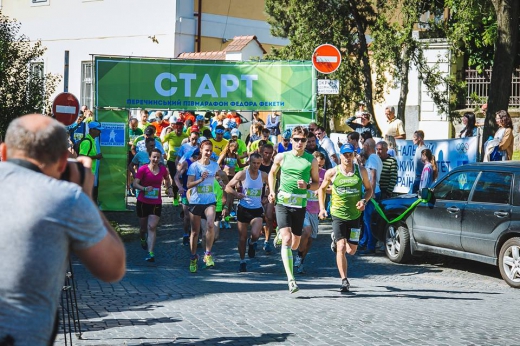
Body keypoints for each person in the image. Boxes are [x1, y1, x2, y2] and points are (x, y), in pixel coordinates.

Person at [0, 114, 125, 345]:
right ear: (62, 161)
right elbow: (113, 268)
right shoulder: (65, 198)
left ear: (4, 152)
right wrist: (85, 197)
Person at [268, 126, 320, 293]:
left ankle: (279, 232)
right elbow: (272, 173)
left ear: (306, 142)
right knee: (287, 240)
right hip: (282, 202)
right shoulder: (282, 157)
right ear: (291, 141)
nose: (299, 143)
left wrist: (307, 185)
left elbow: (317, 183)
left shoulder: (311, 160)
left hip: (299, 205)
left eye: (303, 140)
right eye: (296, 139)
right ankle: (291, 280)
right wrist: (271, 191)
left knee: (296, 244)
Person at [317, 143, 372, 292]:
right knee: (341, 247)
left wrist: (364, 201)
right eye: (345, 155)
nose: (348, 158)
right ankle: (344, 280)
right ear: (340, 156)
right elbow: (321, 189)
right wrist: (322, 208)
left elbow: (369, 190)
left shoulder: (361, 172)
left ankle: (337, 239)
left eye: (350, 154)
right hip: (338, 214)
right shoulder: (332, 172)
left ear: (354, 156)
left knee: (351, 250)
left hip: (355, 215)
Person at [186, 140, 228, 273]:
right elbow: (188, 185)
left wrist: (221, 183)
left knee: (211, 225)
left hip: (210, 200)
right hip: (196, 201)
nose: (209, 153)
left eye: (211, 151)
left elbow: (218, 177)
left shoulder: (214, 165)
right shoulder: (194, 166)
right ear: (201, 150)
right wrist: (200, 180)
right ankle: (193, 257)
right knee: (195, 232)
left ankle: (208, 254)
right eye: (206, 150)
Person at [226, 152, 269, 272]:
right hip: (243, 209)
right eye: (254, 163)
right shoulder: (242, 174)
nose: (256, 166)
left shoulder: (264, 175)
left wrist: (266, 195)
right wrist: (236, 194)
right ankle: (242, 261)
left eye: (258, 163)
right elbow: (228, 187)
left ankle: (252, 242)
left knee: (255, 234)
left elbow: (271, 187)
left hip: (257, 209)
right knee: (242, 238)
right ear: (249, 162)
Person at [133, 148, 173, 262]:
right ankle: (142, 238)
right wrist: (144, 188)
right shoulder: (143, 169)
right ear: (149, 157)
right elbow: (135, 184)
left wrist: (169, 188)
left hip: (156, 202)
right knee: (143, 228)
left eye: (158, 157)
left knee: (152, 227)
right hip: (142, 202)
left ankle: (151, 252)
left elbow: (167, 179)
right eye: (154, 157)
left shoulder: (162, 169)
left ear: (160, 158)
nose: (156, 159)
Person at [294, 150, 327, 274]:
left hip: (315, 210)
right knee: (306, 231)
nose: (320, 167)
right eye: (318, 165)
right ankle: (298, 256)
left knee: (310, 240)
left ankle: (301, 259)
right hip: (303, 207)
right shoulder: (305, 172)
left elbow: (331, 188)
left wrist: (322, 189)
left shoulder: (325, 174)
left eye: (322, 165)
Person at [358, 138, 382, 255]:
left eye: (363, 145)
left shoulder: (372, 158)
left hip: (372, 193)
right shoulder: (375, 158)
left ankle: (370, 246)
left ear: (367, 146)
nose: (362, 147)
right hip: (373, 192)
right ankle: (365, 243)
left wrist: (370, 193)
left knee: (369, 221)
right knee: (367, 219)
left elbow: (372, 176)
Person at [218, 140, 246, 228]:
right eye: (234, 149)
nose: (235, 151)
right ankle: (219, 218)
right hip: (224, 178)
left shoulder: (236, 155)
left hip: (232, 179)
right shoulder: (224, 155)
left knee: (230, 201)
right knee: (224, 199)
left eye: (236, 149)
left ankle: (226, 219)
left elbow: (240, 165)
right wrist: (221, 173)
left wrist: (247, 163)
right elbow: (217, 164)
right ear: (229, 147)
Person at [162, 121, 188, 205]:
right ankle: (175, 198)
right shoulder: (170, 135)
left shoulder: (185, 136)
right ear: (175, 128)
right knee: (174, 178)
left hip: (182, 161)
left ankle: (183, 196)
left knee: (182, 178)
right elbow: (161, 141)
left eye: (181, 128)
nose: (179, 130)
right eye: (177, 128)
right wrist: (163, 152)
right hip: (172, 160)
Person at [259, 143, 275, 253]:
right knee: (258, 218)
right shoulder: (256, 164)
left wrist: (267, 195)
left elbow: (274, 182)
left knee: (269, 217)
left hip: (269, 194)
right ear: (261, 152)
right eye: (266, 153)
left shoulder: (274, 166)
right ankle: (254, 239)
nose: (268, 155)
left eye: (270, 153)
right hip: (256, 194)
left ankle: (267, 241)